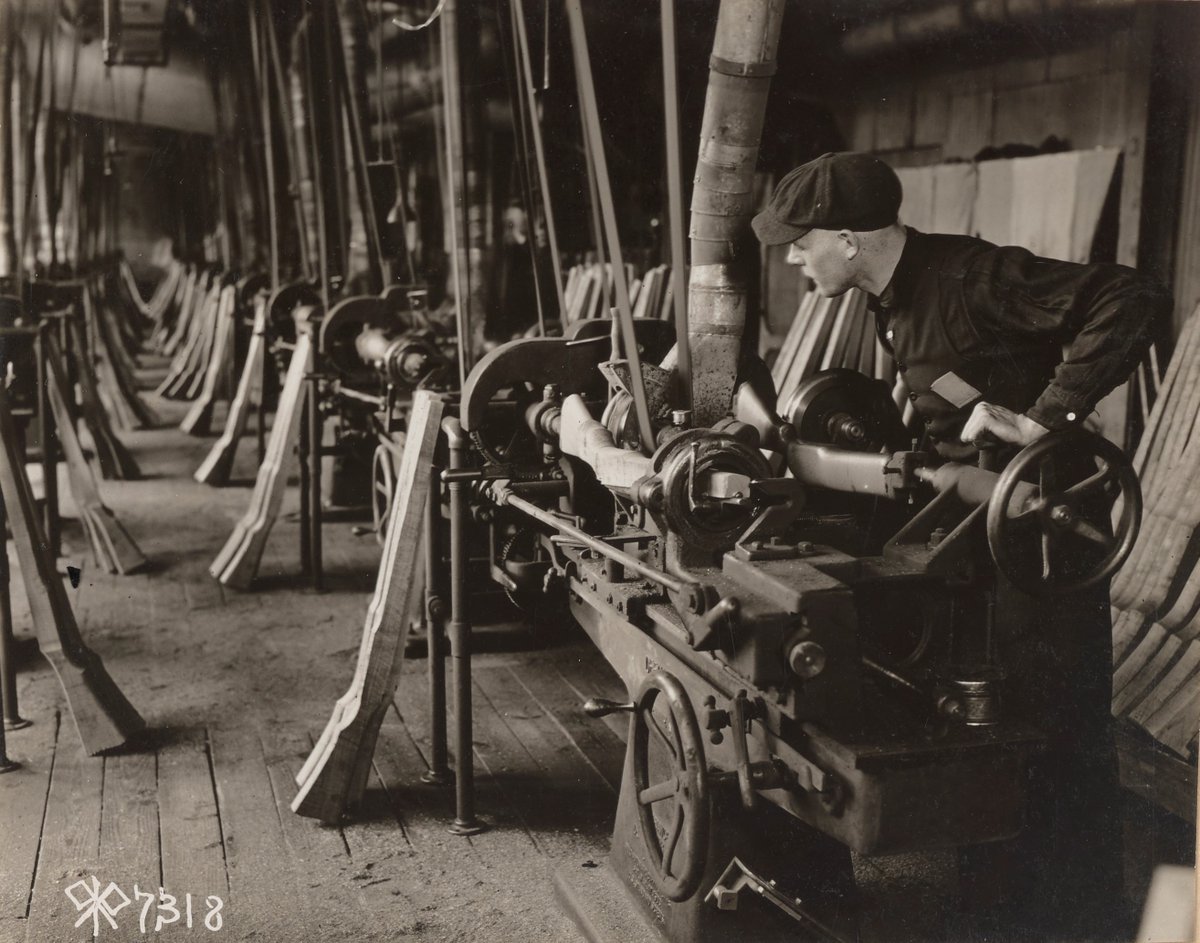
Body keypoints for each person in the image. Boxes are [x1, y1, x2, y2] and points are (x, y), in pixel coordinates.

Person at [752, 151, 1172, 940]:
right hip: (980, 525)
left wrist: (1046, 417)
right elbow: (955, 387)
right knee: (995, 725)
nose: (792, 254)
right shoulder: (893, 297)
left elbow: (1133, 295)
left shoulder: (973, 277)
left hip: (1044, 534)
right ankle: (998, 908)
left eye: (801, 240)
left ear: (848, 238)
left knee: (1056, 735)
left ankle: (1077, 921)